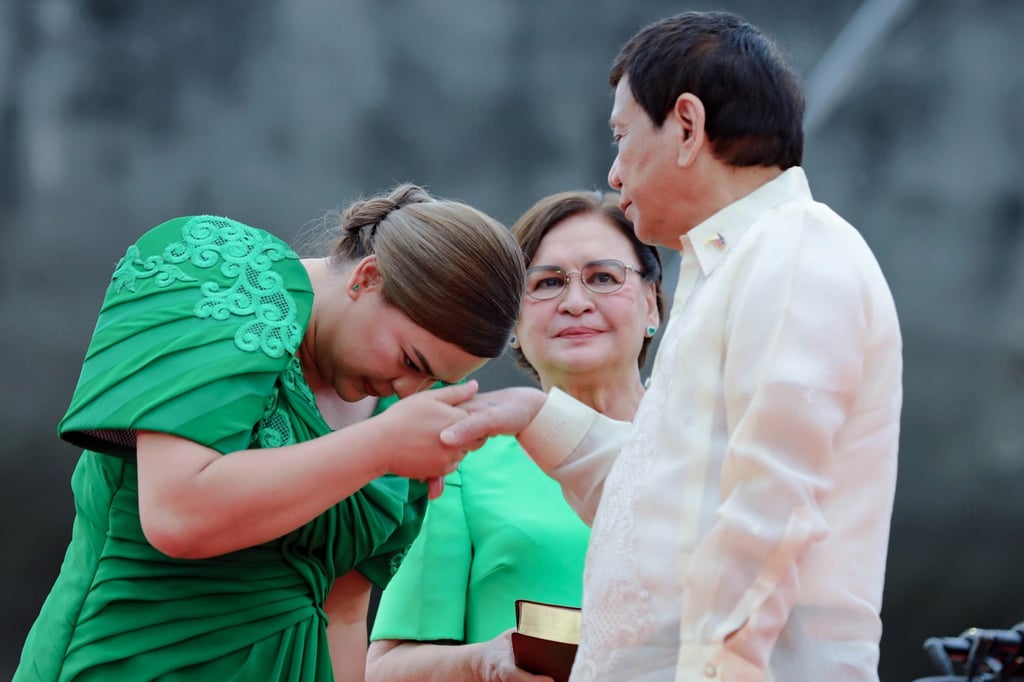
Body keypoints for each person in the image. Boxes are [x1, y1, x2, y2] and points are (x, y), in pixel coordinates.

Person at [441, 11, 903, 682]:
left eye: (623, 137)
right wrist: (530, 415)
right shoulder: (729, 266)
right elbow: (654, 510)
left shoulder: (795, 249)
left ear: (686, 127)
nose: (615, 170)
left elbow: (772, 507)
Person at [14, 183, 526, 682]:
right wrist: (381, 446)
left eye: (436, 380)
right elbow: (177, 514)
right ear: (369, 278)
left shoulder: (400, 419)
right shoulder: (226, 273)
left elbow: (344, 615)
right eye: (411, 360)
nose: (411, 388)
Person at [364, 190, 663, 682]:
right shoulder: (460, 461)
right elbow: (385, 668)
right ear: (514, 322)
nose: (575, 302)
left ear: (651, 304)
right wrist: (481, 664)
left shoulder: (709, 445)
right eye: (546, 284)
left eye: (603, 278)